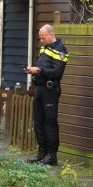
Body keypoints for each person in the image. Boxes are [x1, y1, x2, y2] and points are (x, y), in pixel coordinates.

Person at [24, 24, 68, 166]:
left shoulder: (61, 50)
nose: (41, 41)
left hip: (51, 90)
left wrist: (39, 71)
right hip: (41, 88)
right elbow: (43, 68)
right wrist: (33, 70)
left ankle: (51, 155)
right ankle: (42, 152)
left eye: (43, 38)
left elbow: (57, 72)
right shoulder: (45, 48)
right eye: (40, 38)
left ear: (51, 35)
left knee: (50, 122)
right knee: (38, 121)